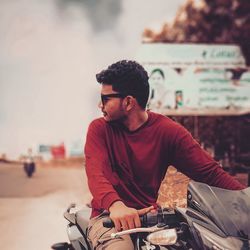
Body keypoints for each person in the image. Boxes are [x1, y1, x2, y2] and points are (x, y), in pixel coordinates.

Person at [84, 60, 245, 250]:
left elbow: (210, 173)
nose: (99, 105)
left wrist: (245, 198)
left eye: (105, 99)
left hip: (153, 218)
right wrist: (116, 206)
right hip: (108, 217)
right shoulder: (99, 129)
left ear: (128, 102)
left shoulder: (168, 132)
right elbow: (96, 174)